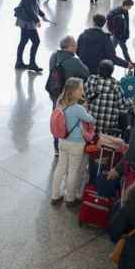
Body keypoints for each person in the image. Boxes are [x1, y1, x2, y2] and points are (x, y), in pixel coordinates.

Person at [50, 77, 95, 206]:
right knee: (73, 170)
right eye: (80, 89)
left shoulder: (60, 102)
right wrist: (85, 110)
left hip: (62, 141)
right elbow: (91, 120)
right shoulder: (78, 109)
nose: (82, 91)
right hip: (76, 144)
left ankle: (55, 195)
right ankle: (70, 198)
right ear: (74, 91)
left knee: (60, 168)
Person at [84, 59, 131, 135]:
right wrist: (131, 101)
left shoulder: (91, 80)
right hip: (109, 130)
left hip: (91, 127)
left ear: (98, 69)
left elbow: (86, 96)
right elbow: (122, 106)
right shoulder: (116, 86)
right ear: (112, 72)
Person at [13, 0, 47, 72]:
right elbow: (30, 9)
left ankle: (19, 62)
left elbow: (34, 6)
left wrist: (42, 14)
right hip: (27, 21)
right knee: (35, 41)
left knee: (24, 41)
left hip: (26, 20)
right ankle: (31, 63)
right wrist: (37, 20)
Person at [48, 35, 90, 105]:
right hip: (67, 94)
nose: (76, 46)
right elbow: (86, 73)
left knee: (57, 110)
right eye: (74, 44)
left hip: (54, 88)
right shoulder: (74, 61)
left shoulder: (53, 55)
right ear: (69, 47)